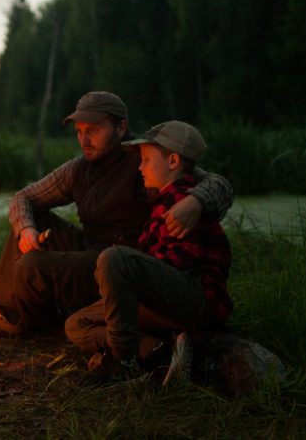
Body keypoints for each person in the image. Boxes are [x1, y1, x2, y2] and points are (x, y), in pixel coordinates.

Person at [0, 91, 233, 339]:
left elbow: (218, 184)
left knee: (32, 266)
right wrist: (27, 229)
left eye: (94, 130)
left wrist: (196, 200)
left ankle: (48, 316)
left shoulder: (145, 159)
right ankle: (8, 315)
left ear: (121, 128)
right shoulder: (78, 168)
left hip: (124, 265)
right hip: (90, 248)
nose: (84, 140)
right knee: (34, 220)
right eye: (79, 131)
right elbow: (23, 197)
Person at [63, 120, 232, 382]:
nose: (139, 168)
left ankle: (123, 364)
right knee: (76, 324)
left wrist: (130, 279)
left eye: (146, 160)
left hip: (196, 299)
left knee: (114, 257)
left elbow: (183, 261)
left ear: (173, 161)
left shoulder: (183, 202)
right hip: (166, 296)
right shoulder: (158, 197)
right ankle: (158, 352)